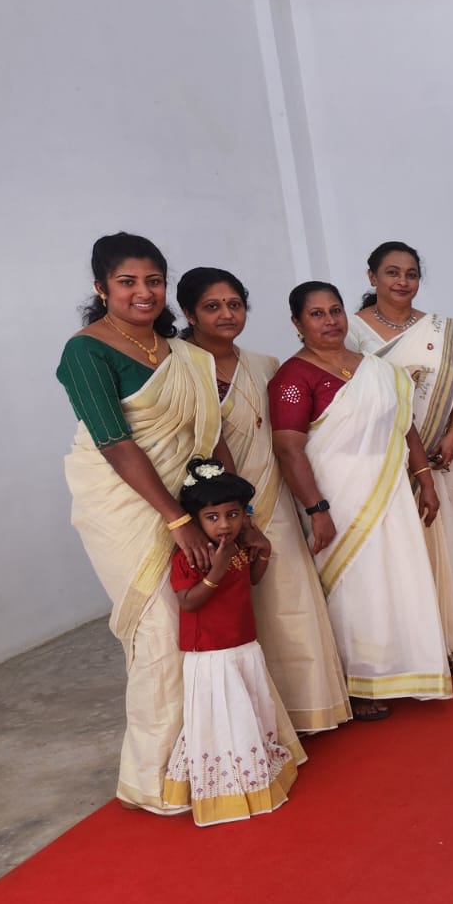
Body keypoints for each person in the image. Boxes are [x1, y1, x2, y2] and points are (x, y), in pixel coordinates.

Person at [58, 232, 241, 812]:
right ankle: (157, 776)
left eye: (154, 281)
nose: (143, 292)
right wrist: (175, 519)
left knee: (202, 623)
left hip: (188, 500)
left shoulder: (182, 353)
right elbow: (114, 441)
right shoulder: (85, 351)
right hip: (126, 506)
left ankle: (213, 759)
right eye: (127, 282)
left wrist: (232, 510)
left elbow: (207, 436)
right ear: (101, 287)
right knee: (159, 628)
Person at [177, 267, 350, 734]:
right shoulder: (181, 367)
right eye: (213, 307)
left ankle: (310, 709)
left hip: (275, 497)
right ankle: (256, 721)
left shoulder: (265, 365)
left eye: (235, 305)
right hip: (219, 513)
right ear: (189, 313)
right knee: (233, 608)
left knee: (293, 599)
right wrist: (238, 517)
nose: (227, 314)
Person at [268, 281, 452, 712]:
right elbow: (288, 449)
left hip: (390, 492)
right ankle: (359, 682)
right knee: (353, 586)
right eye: (316, 314)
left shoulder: (376, 369)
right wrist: (317, 509)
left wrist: (425, 480)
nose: (330, 321)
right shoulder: (293, 378)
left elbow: (405, 426)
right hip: (336, 496)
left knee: (396, 578)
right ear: (297, 322)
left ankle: (400, 668)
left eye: (335, 311)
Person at [347, 241, 453, 674]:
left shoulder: (442, 330)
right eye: (392, 273)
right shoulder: (350, 331)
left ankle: (447, 640)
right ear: (372, 277)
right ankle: (409, 648)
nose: (402, 282)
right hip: (379, 460)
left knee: (443, 541)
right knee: (394, 554)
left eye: (411, 274)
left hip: (438, 454)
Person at [165, 458, 305, 825]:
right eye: (212, 517)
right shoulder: (191, 556)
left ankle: (254, 773)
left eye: (233, 514)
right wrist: (217, 568)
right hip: (212, 654)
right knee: (225, 716)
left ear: (245, 514)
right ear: (196, 520)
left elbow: (254, 579)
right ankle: (227, 786)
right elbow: (188, 602)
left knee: (249, 709)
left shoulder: (238, 545)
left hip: (243, 644)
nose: (224, 524)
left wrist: (263, 548)